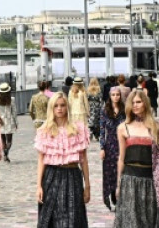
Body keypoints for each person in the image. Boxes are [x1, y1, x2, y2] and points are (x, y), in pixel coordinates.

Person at [114, 89, 159, 228]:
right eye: (132, 102)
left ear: (145, 103)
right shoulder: (123, 128)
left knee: (150, 221)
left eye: (138, 102)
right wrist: (118, 184)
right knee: (131, 222)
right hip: (130, 180)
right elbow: (121, 158)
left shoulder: (157, 128)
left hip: (151, 181)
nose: (135, 105)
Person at [35, 92, 91, 227]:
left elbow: (83, 160)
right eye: (56, 106)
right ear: (51, 108)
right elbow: (41, 160)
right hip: (51, 176)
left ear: (67, 107)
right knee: (51, 217)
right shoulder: (45, 130)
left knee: (73, 218)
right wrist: (38, 186)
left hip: (72, 175)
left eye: (62, 105)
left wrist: (87, 186)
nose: (59, 109)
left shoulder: (78, 129)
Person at [99, 86, 125, 211]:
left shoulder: (124, 109)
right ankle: (113, 196)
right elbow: (102, 130)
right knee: (110, 172)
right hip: (110, 145)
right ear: (110, 96)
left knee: (121, 171)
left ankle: (121, 196)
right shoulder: (105, 110)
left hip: (122, 144)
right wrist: (102, 148)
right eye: (113, 95)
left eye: (117, 94)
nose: (116, 97)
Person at [0, 82, 18, 162]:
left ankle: (5, 155)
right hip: (10, 121)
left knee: (3, 141)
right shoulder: (12, 99)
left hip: (1, 122)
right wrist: (16, 123)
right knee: (9, 141)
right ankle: (6, 153)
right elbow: (14, 112)